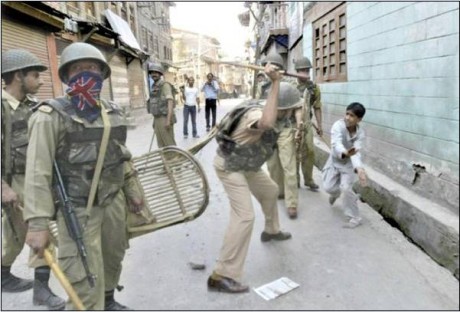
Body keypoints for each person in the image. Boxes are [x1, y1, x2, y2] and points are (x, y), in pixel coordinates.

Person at [23, 42, 145, 310]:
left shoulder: (112, 111)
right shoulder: (49, 115)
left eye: (91, 68)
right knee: (84, 275)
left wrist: (134, 192)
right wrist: (37, 225)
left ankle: (109, 300)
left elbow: (121, 157)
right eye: (78, 69)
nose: (85, 74)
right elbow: (36, 173)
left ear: (102, 74)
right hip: (77, 210)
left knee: (113, 257)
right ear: (67, 77)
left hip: (113, 201)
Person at [207, 63, 292, 294]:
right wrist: (275, 82)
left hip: (246, 164)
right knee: (244, 217)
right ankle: (221, 275)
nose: (292, 114)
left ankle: (272, 230)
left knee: (270, 190)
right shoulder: (259, 114)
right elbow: (264, 123)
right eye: (291, 110)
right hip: (230, 166)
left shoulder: (273, 110)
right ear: (282, 107)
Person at [1, 49, 66, 310]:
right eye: (35, 75)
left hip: (36, 178)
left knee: (18, 234)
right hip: (13, 180)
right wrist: (3, 187)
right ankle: (41, 290)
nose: (40, 81)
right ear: (18, 76)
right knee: (40, 231)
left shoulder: (33, 106)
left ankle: (3, 275)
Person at [322, 102, 367, 228]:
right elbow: (336, 144)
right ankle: (337, 195)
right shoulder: (338, 125)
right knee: (328, 188)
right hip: (335, 161)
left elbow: (356, 153)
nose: (347, 117)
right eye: (346, 114)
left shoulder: (360, 134)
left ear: (359, 119)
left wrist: (359, 169)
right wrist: (345, 152)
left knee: (346, 188)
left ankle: (355, 218)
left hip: (348, 165)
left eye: (351, 116)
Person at [266, 82, 303, 219]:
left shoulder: (290, 92)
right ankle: (280, 191)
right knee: (273, 165)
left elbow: (298, 108)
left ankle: (292, 203)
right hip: (268, 130)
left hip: (286, 130)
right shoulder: (267, 92)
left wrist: (299, 126)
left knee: (289, 166)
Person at [294, 57, 323, 191]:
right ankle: (295, 179)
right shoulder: (290, 86)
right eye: (302, 71)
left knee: (309, 151)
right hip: (292, 123)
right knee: (293, 152)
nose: (306, 74)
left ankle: (308, 179)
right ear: (297, 71)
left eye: (307, 70)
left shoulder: (313, 88)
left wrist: (320, 125)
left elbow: (317, 107)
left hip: (307, 122)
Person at [147, 62, 177, 147]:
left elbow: (170, 102)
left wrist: (168, 120)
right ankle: (165, 160)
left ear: (160, 74)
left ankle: (174, 159)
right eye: (152, 72)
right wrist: (154, 121)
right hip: (157, 119)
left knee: (169, 143)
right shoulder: (154, 86)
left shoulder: (165, 85)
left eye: (156, 72)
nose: (154, 74)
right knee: (161, 145)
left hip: (165, 117)